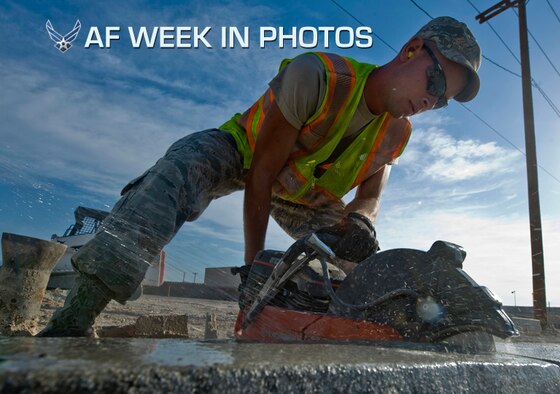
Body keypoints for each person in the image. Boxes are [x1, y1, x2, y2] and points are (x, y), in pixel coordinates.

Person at [38, 16, 481, 337]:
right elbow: (262, 173)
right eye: (436, 84)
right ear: (411, 50)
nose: (431, 102)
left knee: (363, 263)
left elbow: (372, 191)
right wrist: (253, 270)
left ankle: (343, 334)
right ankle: (74, 318)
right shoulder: (319, 77)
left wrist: (362, 219)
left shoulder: (399, 131)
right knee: (178, 171)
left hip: (304, 194)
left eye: (443, 101)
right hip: (244, 155)